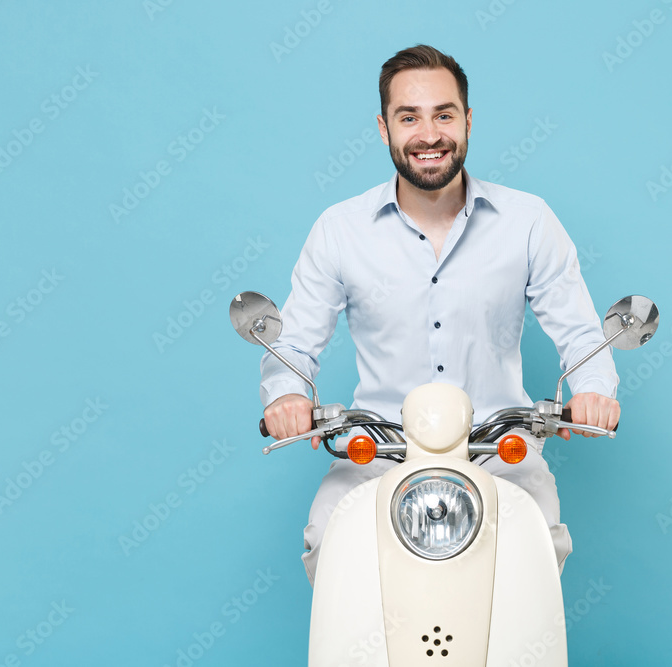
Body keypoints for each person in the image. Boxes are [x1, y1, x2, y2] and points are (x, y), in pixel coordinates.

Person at [260, 45, 620, 584]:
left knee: (537, 548)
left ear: (468, 121)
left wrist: (594, 391)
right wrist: (287, 395)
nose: (429, 134)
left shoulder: (528, 220)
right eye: (410, 117)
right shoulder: (340, 229)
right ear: (384, 129)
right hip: (379, 451)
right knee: (329, 542)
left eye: (444, 115)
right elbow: (294, 343)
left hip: (499, 450)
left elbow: (580, 333)